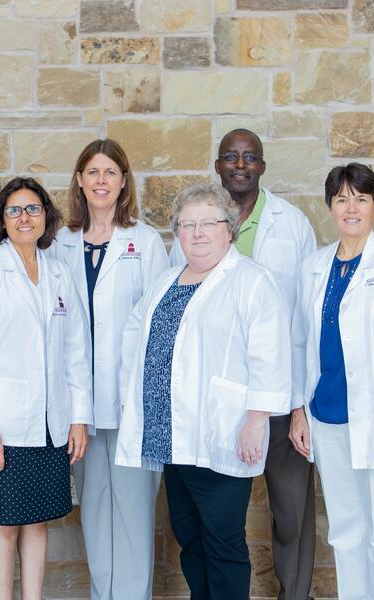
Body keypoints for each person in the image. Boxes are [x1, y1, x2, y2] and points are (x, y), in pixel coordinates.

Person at [117, 181, 292, 599]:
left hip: (222, 433)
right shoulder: (165, 282)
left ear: (228, 229)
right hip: (170, 436)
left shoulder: (251, 281)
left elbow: (271, 355)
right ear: (177, 232)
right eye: (187, 224)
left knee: (223, 542)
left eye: (207, 223)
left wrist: (256, 420)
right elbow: (134, 339)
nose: (196, 233)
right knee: (190, 540)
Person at [170, 129, 317, 600]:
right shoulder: (195, 225)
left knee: (291, 510)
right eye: (230, 157)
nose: (240, 164)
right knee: (213, 523)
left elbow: (304, 316)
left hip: (280, 397)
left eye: (249, 157)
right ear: (217, 165)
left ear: (262, 166)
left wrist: (298, 405)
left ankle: (294, 594)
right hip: (214, 402)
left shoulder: (291, 224)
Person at [0, 177, 93, 600]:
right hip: (3, 424)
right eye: (14, 210)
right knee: (1, 524)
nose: (24, 217)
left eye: (33, 209)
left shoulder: (58, 271)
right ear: (1, 218)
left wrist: (78, 417)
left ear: (45, 217)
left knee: (37, 522)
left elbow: (75, 350)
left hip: (51, 423)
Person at [49, 138, 169, 600]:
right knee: (95, 512)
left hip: (131, 402)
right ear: (80, 179)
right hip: (81, 407)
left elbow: (157, 325)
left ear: (123, 182)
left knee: (135, 514)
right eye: (93, 172)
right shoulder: (60, 243)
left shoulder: (144, 240)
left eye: (110, 173)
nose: (101, 181)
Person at [290, 163, 374, 600]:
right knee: (344, 528)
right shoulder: (314, 267)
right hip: (327, 417)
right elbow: (301, 343)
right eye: (342, 199)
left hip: (371, 416)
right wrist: (299, 410)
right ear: (329, 208)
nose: (351, 207)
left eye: (361, 198)